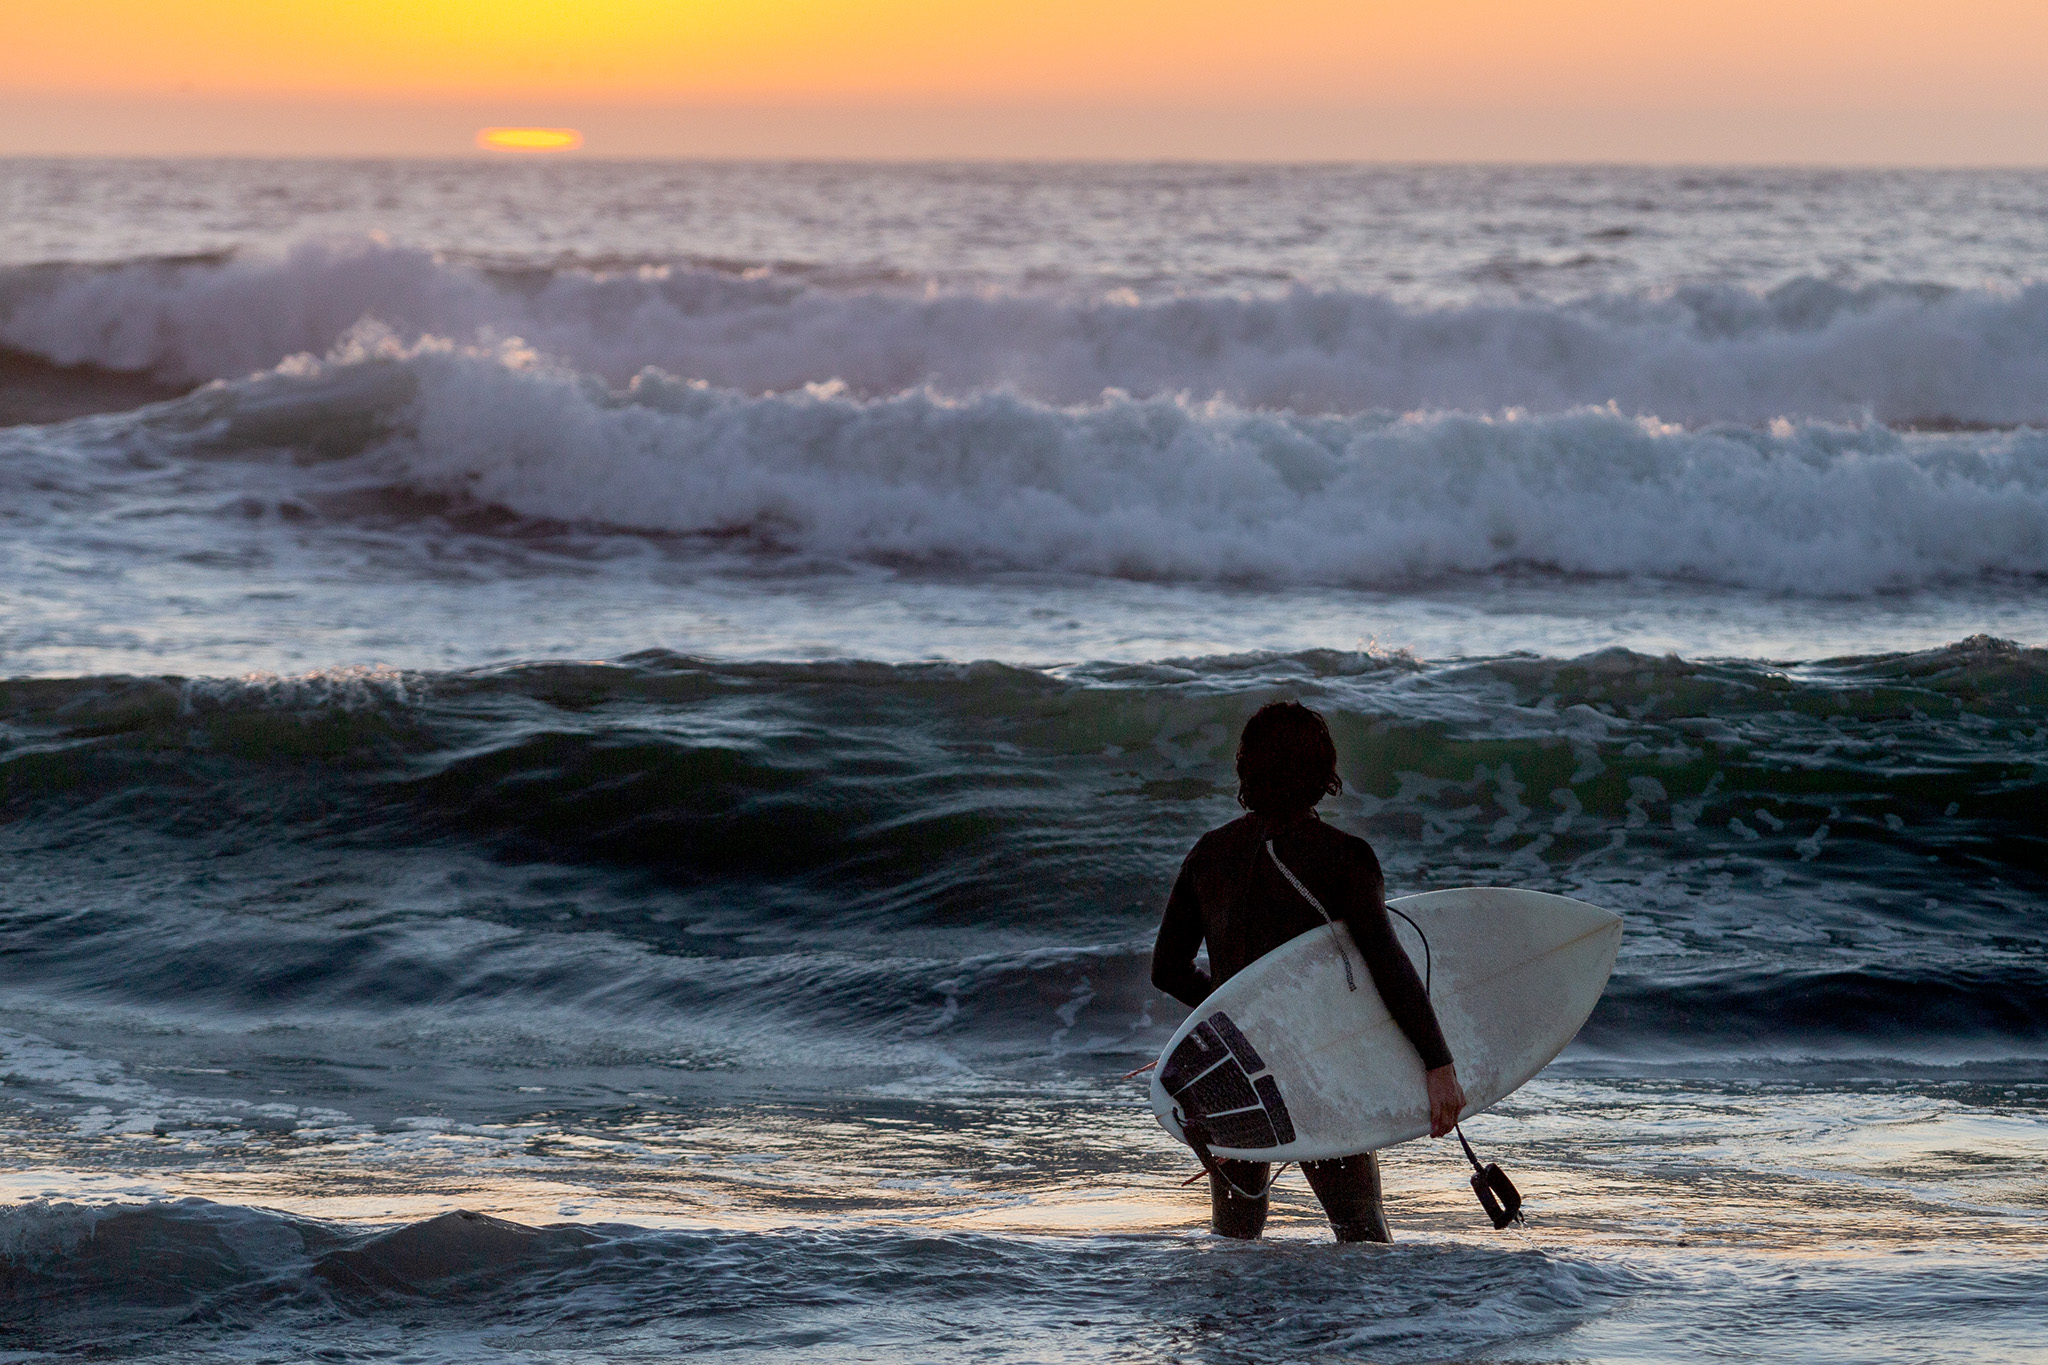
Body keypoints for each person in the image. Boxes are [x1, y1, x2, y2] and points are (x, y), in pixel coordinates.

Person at [1150, 700, 1466, 1242]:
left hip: (1236, 1077)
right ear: (1323, 773)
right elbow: (1388, 966)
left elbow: (1168, 969)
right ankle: (1357, 1332)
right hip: (1315, 1070)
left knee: (1235, 1243)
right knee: (1363, 1237)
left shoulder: (1209, 854)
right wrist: (1438, 1066)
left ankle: (1238, 1326)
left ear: (1246, 771)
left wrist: (1235, 1020)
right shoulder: (1344, 857)